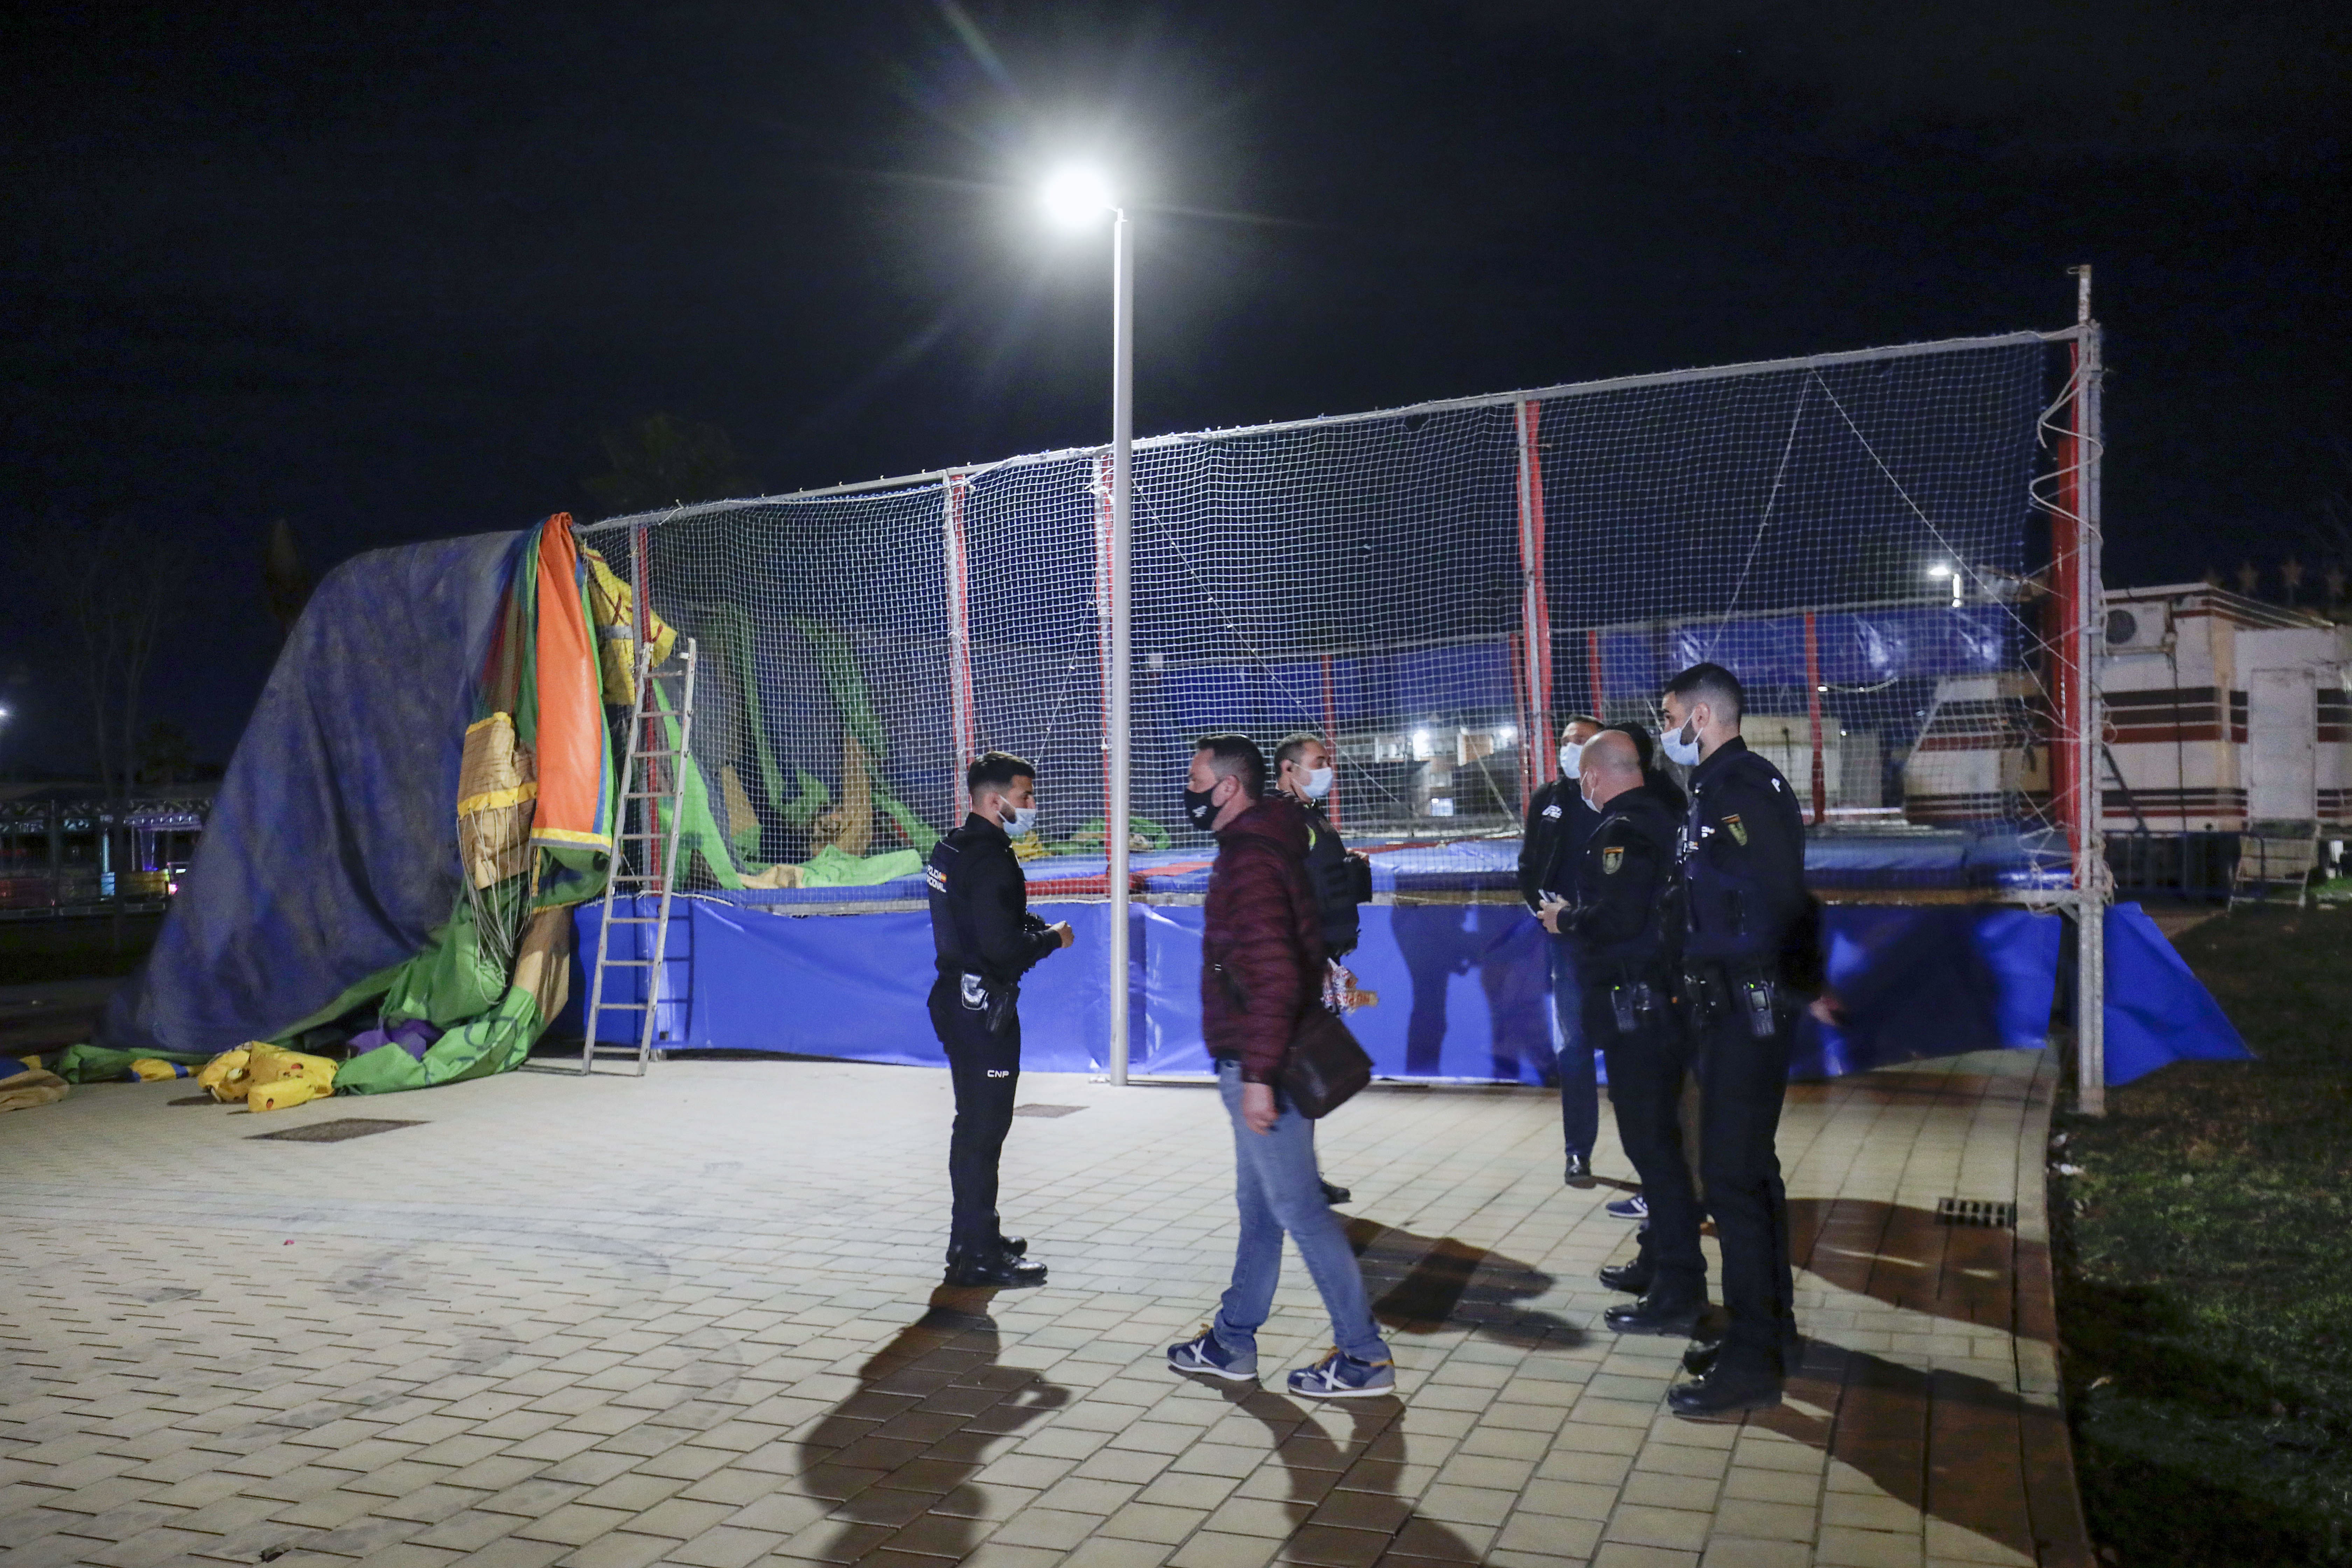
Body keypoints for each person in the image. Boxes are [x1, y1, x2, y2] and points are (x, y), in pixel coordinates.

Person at [1166, 734, 1397, 1399]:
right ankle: (1232, 1340)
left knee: (1299, 1208)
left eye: (1196, 778)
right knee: (1263, 1208)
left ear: (1230, 787)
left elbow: (1271, 976)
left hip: (1260, 1060)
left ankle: (1364, 1356)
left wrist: (1260, 1076)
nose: (1188, 791)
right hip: (1255, 1055)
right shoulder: (1267, 844)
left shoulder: (1252, 861)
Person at [1656, 663, 1809, 1416]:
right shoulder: (1722, 786)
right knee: (1752, 1172)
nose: (1666, 730)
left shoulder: (1738, 786)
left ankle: (1754, 1355)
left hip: (1747, 1006)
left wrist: (1758, 980)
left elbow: (1775, 892)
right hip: (1745, 1003)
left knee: (1730, 1179)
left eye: (1670, 715)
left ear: (1703, 716)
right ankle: (1773, 1329)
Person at [1538, 733, 1706, 1340]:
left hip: (1636, 1004)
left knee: (1652, 1148)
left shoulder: (1622, 830)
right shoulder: (1667, 817)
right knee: (1660, 1142)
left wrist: (1565, 919)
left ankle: (1680, 1287)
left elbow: (1618, 918)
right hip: (1662, 1001)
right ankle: (1660, 1260)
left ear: (1592, 778)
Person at [924, 751, 1075, 1288]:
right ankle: (975, 1256)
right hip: (981, 1009)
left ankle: (976, 1235)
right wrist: (1051, 938)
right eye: (1025, 797)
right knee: (983, 1132)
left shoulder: (953, 847)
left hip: (956, 999)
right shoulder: (989, 859)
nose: (1032, 806)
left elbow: (976, 921)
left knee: (976, 1128)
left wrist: (1021, 923)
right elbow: (1002, 949)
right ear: (996, 802)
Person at [1274, 731, 1373, 1208]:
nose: (1327, 768)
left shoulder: (1310, 817)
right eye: (1318, 761)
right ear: (1289, 769)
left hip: (1323, 959)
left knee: (1306, 1073)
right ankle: (1293, 1181)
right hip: (1304, 965)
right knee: (1298, 1073)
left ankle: (1304, 1175)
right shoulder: (1284, 822)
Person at [1519, 713, 1605, 1185]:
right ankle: (1579, 1152)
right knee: (1574, 1047)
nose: (1571, 747)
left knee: (1633, 1048)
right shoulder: (1547, 799)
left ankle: (1656, 1165)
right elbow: (1529, 864)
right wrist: (1543, 911)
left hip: (1618, 942)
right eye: (1567, 740)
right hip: (1566, 943)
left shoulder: (1620, 800)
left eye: (1583, 741)